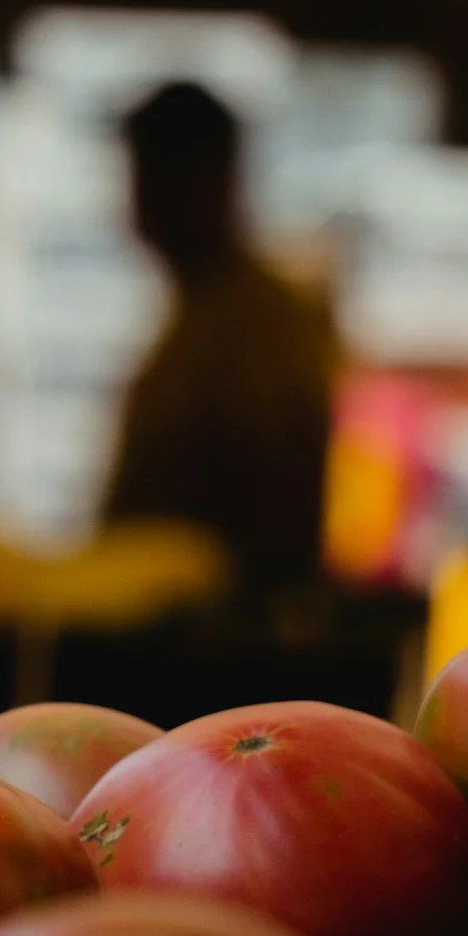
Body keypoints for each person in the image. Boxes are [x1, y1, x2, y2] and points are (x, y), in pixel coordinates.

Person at [102, 83, 338, 596]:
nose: (139, 198)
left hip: (207, 647)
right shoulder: (209, 311)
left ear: (216, 181)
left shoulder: (254, 324)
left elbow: (273, 520)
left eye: (157, 173)